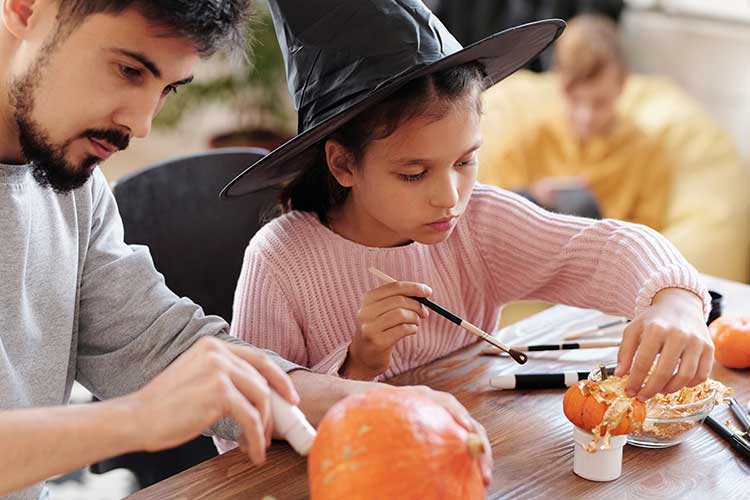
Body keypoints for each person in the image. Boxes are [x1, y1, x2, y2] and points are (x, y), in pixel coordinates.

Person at [0, 1, 491, 497]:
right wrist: (137, 420)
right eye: (128, 70)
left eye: (166, 88)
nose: (142, 123)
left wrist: (366, 402)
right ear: (25, 8)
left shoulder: (76, 189)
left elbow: (160, 346)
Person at [221, 0, 713, 424]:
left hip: (475, 453)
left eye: (465, 161)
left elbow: (603, 248)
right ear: (343, 163)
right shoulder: (280, 262)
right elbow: (244, 427)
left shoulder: (478, 222)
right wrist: (358, 365)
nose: (449, 197)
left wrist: (676, 303)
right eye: (414, 173)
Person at [479, 14, 673, 230]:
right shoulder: (527, 141)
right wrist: (535, 197)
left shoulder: (647, 154)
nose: (585, 116)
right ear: (557, 81)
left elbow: (652, 237)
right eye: (574, 100)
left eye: (600, 103)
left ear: (623, 85)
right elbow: (492, 218)